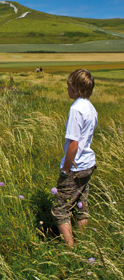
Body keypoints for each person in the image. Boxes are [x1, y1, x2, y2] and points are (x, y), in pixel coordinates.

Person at [52, 69, 98, 247]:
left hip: (76, 167)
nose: (67, 88)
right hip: (88, 164)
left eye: (69, 85)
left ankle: (70, 249)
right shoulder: (90, 107)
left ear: (77, 88)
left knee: (60, 210)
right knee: (81, 205)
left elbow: (73, 144)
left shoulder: (76, 109)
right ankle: (84, 242)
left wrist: (66, 169)